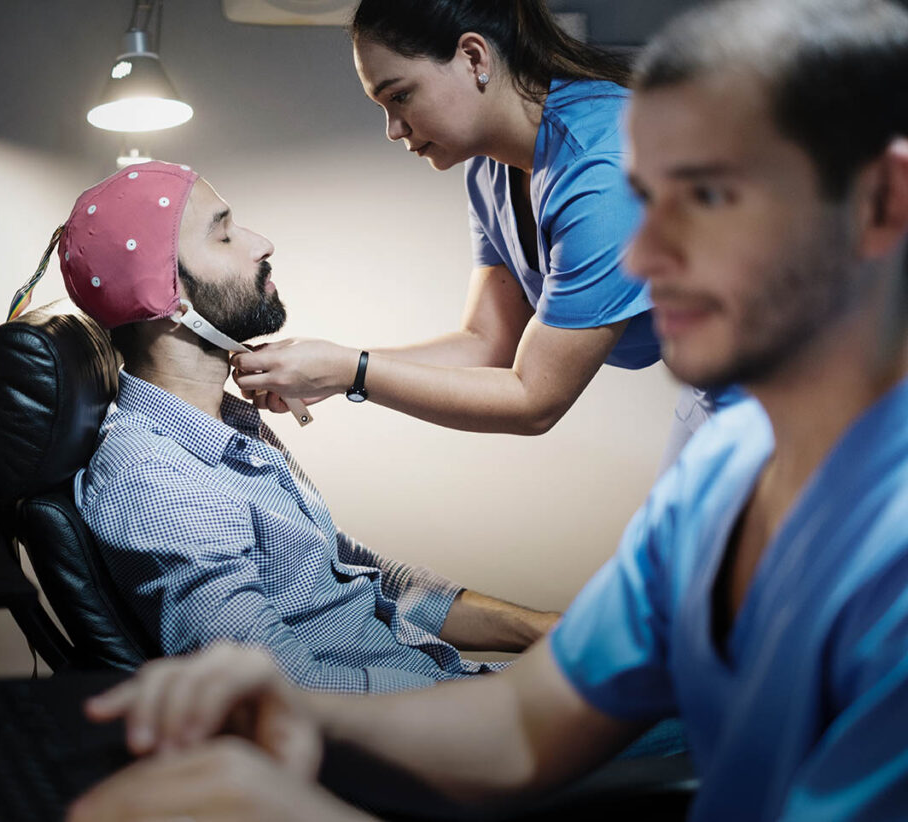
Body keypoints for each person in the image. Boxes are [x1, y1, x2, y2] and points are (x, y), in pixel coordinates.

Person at [67, 0, 908, 819]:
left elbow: (532, 392)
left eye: (702, 199)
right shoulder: (717, 486)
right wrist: (290, 712)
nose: (639, 257)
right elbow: (517, 727)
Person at [54, 160, 559, 693]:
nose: (261, 243)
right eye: (223, 235)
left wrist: (542, 630)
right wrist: (516, 699)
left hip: (448, 691)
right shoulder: (154, 481)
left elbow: (355, 577)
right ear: (167, 298)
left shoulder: (230, 427)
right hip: (431, 732)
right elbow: (283, 696)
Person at [230, 0, 739, 466]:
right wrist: (331, 369)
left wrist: (349, 371)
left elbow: (534, 401)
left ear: (474, 58)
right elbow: (487, 343)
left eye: (400, 96)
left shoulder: (604, 169)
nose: (394, 129)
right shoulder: (490, 168)